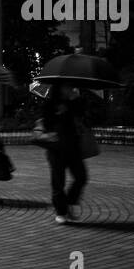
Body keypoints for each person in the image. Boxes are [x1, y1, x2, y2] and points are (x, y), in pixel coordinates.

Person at [41, 84, 88, 224]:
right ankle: (60, 212)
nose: (69, 89)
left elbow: (83, 116)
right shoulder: (50, 104)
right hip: (56, 148)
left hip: (73, 146)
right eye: (66, 86)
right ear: (59, 88)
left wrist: (76, 100)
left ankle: (70, 201)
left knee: (81, 177)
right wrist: (59, 114)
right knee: (58, 183)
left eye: (70, 86)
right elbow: (46, 125)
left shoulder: (74, 101)